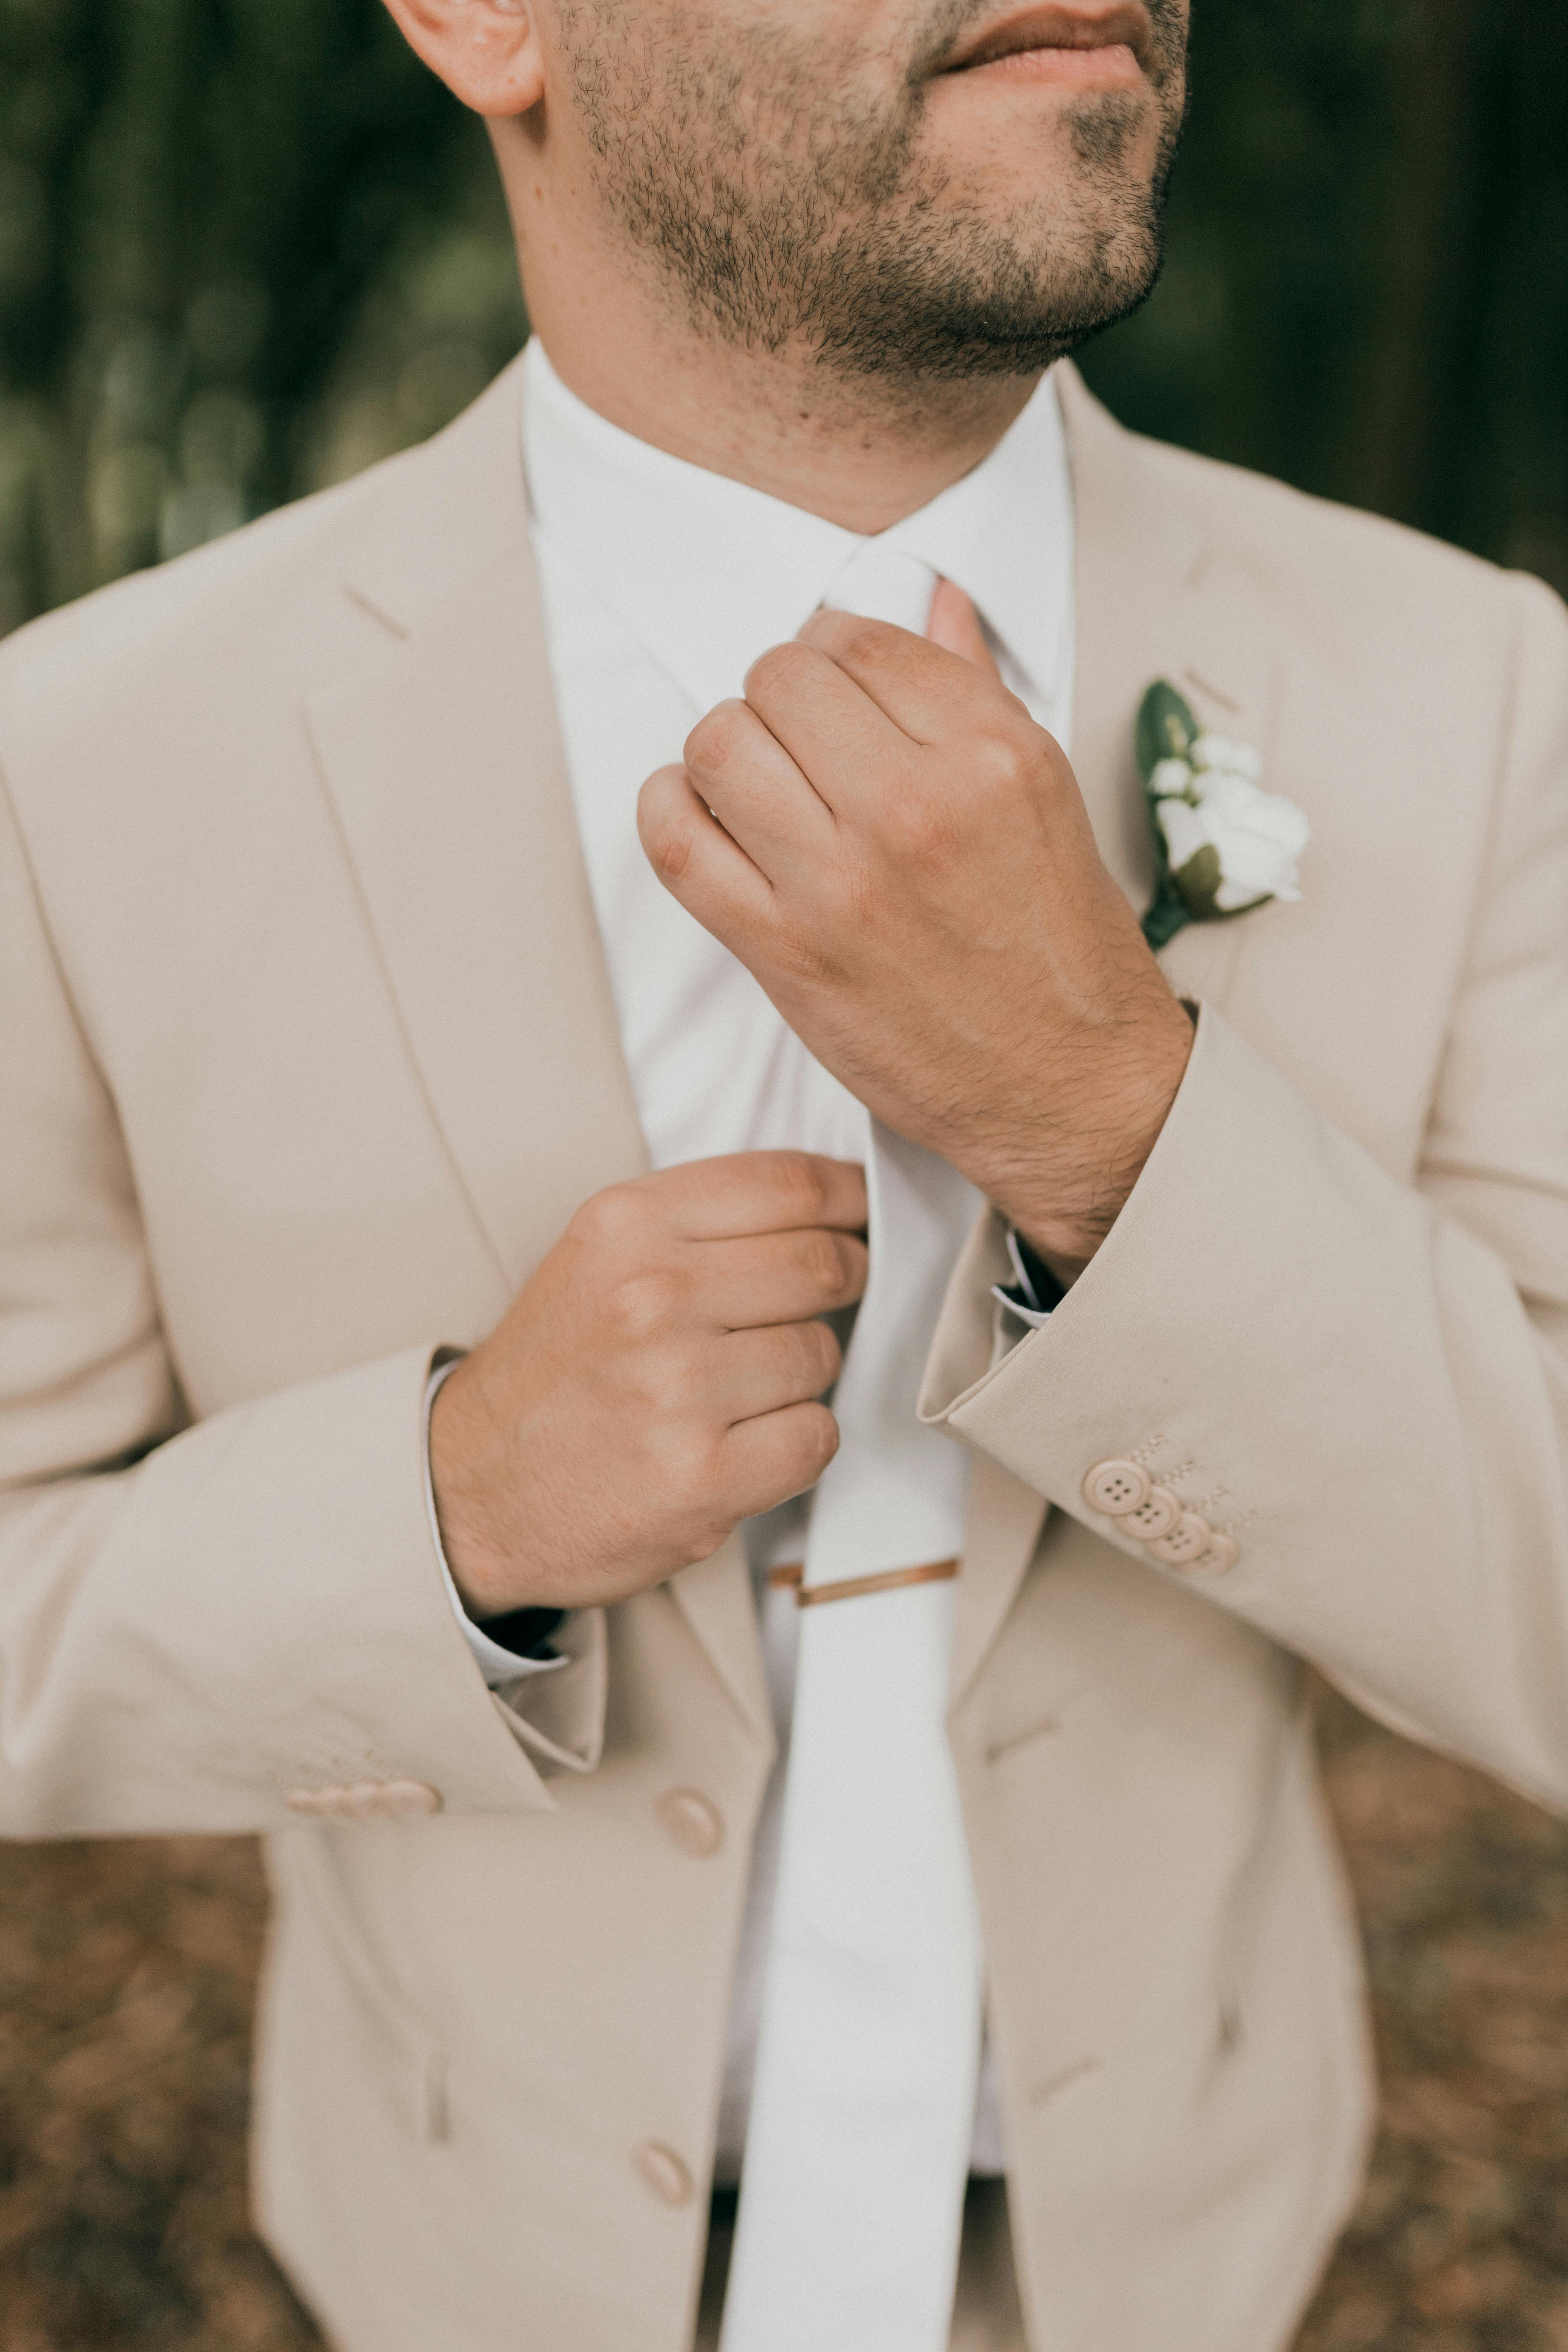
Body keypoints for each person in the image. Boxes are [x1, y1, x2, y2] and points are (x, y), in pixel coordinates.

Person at [1, 0, 1565, 2345]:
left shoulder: (1482, 688)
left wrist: (1109, 1124)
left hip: (1182, 2271)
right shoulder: (84, 762)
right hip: (463, 2267)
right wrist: (443, 1519)